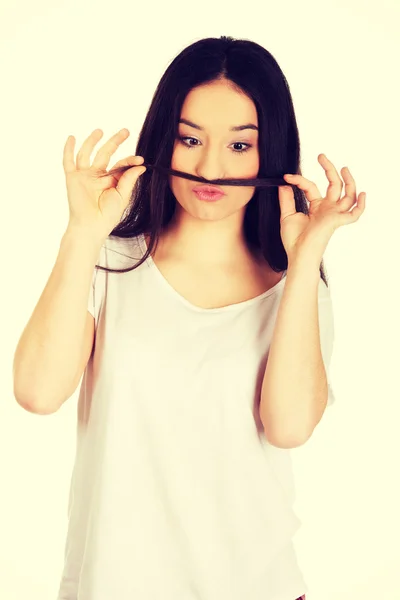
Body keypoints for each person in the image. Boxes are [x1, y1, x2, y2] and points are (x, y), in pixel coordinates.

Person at [13, 36, 342, 600]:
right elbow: (37, 393)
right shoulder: (108, 262)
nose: (210, 167)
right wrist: (82, 232)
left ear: (272, 154)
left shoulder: (295, 287)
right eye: (190, 138)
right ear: (164, 138)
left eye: (241, 146)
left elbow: (288, 428)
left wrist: (305, 257)